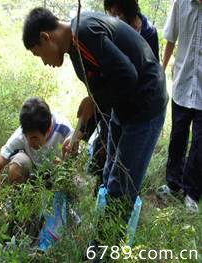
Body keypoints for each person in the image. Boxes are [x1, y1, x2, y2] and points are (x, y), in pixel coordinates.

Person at [22, 8, 168, 215]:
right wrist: (80, 134)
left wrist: (93, 100)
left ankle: (105, 246)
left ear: (46, 38)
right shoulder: (74, 47)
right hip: (122, 105)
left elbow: (127, 76)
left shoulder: (84, 32)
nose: (44, 62)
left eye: (39, 54)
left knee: (121, 189)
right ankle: (101, 237)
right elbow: (103, 88)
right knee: (109, 174)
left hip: (146, 104)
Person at [83, 0, 160, 187]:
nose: (112, 16)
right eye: (109, 11)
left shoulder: (149, 31)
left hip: (139, 106)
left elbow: (150, 69)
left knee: (126, 166)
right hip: (115, 102)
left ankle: (120, 194)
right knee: (107, 153)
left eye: (116, 11)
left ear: (127, 8)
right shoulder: (111, 30)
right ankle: (102, 187)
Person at [0, 97, 73, 215]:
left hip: (58, 178)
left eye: (34, 138)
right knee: (18, 163)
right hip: (34, 179)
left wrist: (64, 164)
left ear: (48, 129)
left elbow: (76, 165)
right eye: (27, 136)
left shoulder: (64, 130)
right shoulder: (22, 134)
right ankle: (19, 209)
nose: (30, 142)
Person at [157, 0, 202, 213]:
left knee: (200, 144)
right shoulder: (181, 3)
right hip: (183, 84)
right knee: (178, 136)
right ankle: (173, 183)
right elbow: (170, 39)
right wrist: (161, 71)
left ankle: (192, 192)